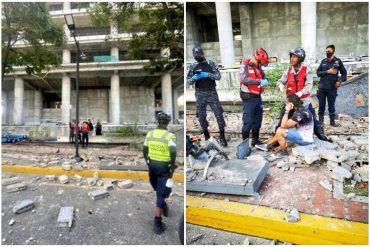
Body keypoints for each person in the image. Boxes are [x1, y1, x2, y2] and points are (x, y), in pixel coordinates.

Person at [276, 48, 331, 142]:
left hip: (304, 102)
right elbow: (280, 81)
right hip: (289, 102)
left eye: (294, 57)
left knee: (313, 120)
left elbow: (309, 86)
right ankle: (277, 140)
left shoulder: (307, 70)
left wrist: (300, 93)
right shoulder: (288, 70)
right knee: (282, 121)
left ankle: (322, 138)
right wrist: (280, 85)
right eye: (291, 57)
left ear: (300, 59)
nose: (292, 59)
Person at [143, 112, 177, 234]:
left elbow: (144, 150)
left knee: (159, 189)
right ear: (167, 122)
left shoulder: (150, 134)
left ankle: (164, 206)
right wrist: (172, 165)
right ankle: (157, 222)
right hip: (164, 168)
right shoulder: (170, 136)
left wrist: (148, 162)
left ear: (158, 121)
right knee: (162, 193)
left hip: (152, 166)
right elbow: (173, 151)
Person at [186, 47, 227, 146]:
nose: (197, 57)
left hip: (211, 92)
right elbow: (188, 81)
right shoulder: (193, 66)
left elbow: (218, 76)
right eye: (196, 55)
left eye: (199, 55)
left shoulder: (210, 63)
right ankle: (206, 135)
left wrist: (208, 74)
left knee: (219, 114)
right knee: (201, 116)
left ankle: (222, 136)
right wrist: (194, 78)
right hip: (200, 93)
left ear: (203, 54)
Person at [239, 48, 269, 147]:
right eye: (261, 63)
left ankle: (255, 141)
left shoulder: (258, 68)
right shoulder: (245, 65)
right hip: (248, 98)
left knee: (257, 120)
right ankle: (245, 145)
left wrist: (265, 80)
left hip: (257, 97)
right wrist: (259, 81)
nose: (261, 66)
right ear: (257, 59)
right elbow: (244, 79)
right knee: (248, 122)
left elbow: (264, 77)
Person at [317, 44, 347, 127]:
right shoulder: (323, 61)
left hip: (332, 88)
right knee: (321, 106)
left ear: (333, 51)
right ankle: (320, 122)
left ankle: (332, 122)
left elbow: (344, 74)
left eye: (329, 51)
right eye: (326, 51)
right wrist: (328, 72)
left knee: (331, 105)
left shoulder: (338, 61)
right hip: (322, 87)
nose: (327, 53)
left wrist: (340, 81)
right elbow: (318, 73)